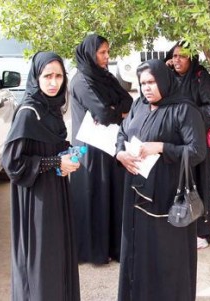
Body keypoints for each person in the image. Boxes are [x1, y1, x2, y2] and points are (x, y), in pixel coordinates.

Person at [116, 59, 206, 300]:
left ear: (164, 80)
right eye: (143, 83)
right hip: (135, 190)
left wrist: (163, 147)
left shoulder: (184, 109)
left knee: (166, 252)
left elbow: (197, 151)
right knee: (138, 248)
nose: (147, 88)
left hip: (167, 194)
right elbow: (122, 132)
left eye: (152, 82)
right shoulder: (139, 105)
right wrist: (120, 153)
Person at [2, 51, 81, 300]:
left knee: (58, 255)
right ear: (36, 77)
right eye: (47, 76)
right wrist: (56, 161)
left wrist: (68, 157)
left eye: (59, 76)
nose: (53, 82)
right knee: (42, 260)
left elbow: (50, 145)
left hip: (55, 193)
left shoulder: (52, 109)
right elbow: (13, 163)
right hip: (36, 201)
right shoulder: (28, 112)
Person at [70, 34, 133, 264]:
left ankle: (113, 247)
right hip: (90, 149)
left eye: (107, 52)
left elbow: (129, 102)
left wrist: (113, 110)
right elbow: (104, 114)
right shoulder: (80, 81)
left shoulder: (105, 77)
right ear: (90, 53)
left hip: (109, 144)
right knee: (95, 195)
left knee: (113, 194)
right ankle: (95, 250)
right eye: (102, 53)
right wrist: (114, 111)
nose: (107, 57)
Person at [165, 42, 210, 249]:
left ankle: (202, 232)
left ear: (192, 58)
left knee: (199, 186)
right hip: (176, 144)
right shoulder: (170, 78)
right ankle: (181, 228)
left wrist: (189, 119)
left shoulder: (202, 79)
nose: (177, 60)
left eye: (182, 56)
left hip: (196, 143)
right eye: (174, 56)